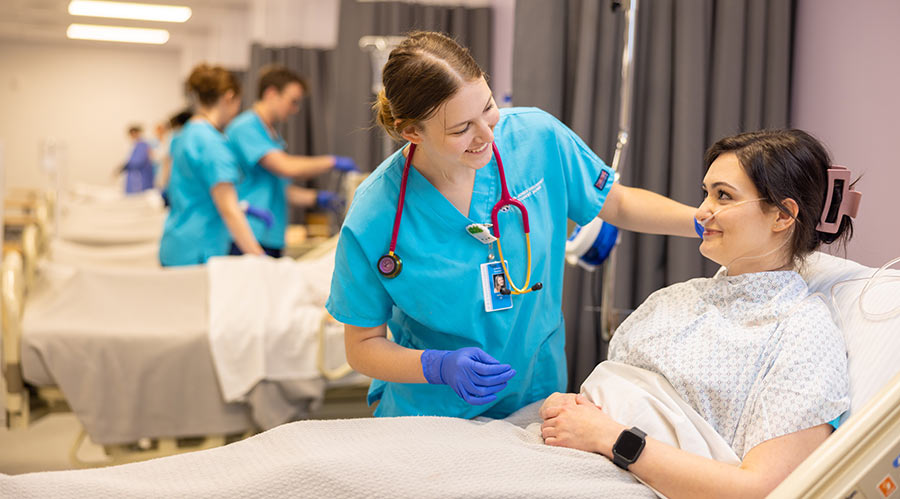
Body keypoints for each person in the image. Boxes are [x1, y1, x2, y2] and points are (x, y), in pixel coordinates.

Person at [326, 31, 698, 419]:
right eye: (461, 129)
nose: (487, 135)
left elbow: (616, 203)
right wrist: (436, 366)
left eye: (487, 108)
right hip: (429, 411)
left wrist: (701, 222)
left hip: (534, 395)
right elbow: (362, 345)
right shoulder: (375, 213)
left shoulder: (537, 139)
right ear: (411, 132)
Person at [539, 129, 856, 498]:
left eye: (723, 195)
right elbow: (605, 400)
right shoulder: (675, 299)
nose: (702, 211)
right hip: (566, 459)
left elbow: (760, 490)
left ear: (783, 216)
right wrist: (565, 408)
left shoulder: (801, 335)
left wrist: (609, 437)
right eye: (706, 193)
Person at [226, 64, 359, 258]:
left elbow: (280, 190)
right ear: (271, 93)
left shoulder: (271, 134)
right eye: (293, 101)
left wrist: (318, 198)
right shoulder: (246, 128)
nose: (295, 109)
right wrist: (332, 162)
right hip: (248, 235)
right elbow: (286, 166)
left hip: (270, 235)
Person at [159, 64, 264, 266]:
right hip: (198, 251)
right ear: (229, 97)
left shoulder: (186, 134)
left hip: (175, 244)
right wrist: (260, 259)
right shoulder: (213, 144)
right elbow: (228, 209)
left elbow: (196, 192)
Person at [122, 125, 154, 194]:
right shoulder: (134, 145)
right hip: (134, 178)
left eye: (134, 133)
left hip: (140, 179)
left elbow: (138, 162)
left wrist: (126, 166)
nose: (132, 136)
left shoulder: (142, 145)